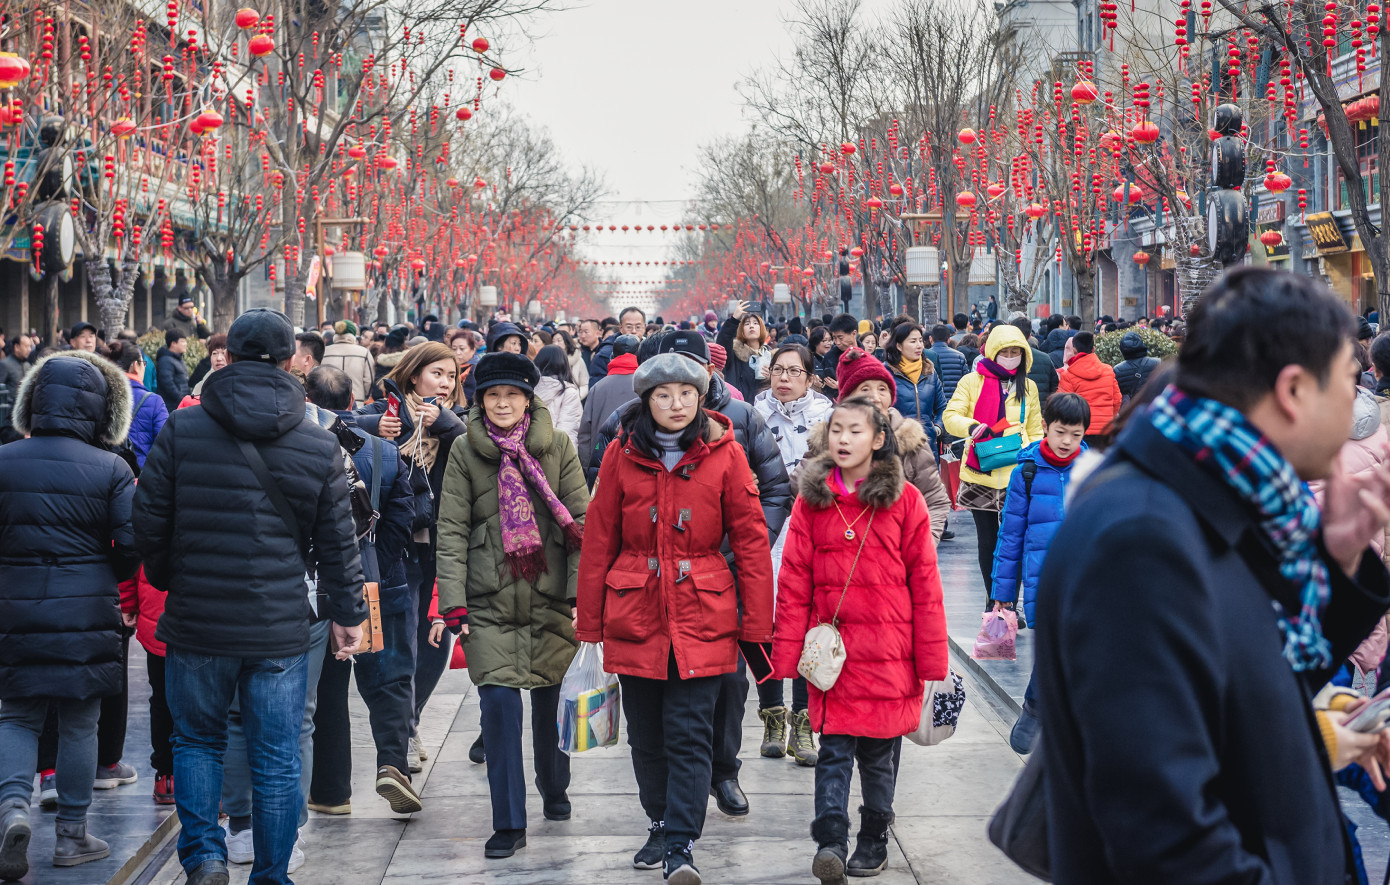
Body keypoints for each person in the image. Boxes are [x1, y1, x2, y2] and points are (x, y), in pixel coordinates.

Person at [1036, 268, 1390, 885]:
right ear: (1293, 390)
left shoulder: (1222, 495)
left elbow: (1244, 693)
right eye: (1350, 385)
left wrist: (1338, 563)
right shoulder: (1142, 536)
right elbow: (1162, 826)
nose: (1358, 408)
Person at [132, 308, 366, 885]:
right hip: (279, 624)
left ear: (226, 358)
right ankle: (271, 872)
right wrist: (348, 615)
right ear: (292, 363)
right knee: (278, 754)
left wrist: (169, 577)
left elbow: (149, 523)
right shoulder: (315, 444)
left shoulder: (182, 430)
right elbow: (339, 542)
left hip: (198, 620)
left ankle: (207, 857)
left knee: (197, 742)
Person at [577, 352, 775, 884]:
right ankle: (659, 823)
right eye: (663, 396)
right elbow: (600, 540)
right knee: (646, 737)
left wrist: (758, 624)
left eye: (686, 394)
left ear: (701, 397)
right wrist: (589, 625)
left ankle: (682, 842)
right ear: (645, 400)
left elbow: (752, 542)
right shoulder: (621, 454)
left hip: (705, 613)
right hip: (635, 611)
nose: (675, 404)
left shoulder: (726, 454)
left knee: (689, 734)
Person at [773, 395, 947, 884]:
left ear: (878, 440)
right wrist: (787, 652)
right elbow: (794, 581)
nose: (843, 439)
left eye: (855, 431)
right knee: (833, 749)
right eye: (836, 430)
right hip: (832, 658)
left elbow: (926, 588)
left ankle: (874, 837)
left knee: (877, 754)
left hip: (891, 654)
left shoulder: (906, 500)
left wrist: (931, 661)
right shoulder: (812, 501)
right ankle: (830, 840)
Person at [436, 352, 589, 858]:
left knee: (550, 706)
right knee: (499, 708)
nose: (502, 403)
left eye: (512, 395)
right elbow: (452, 530)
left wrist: (577, 598)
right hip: (489, 600)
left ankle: (555, 785)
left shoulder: (558, 446)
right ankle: (509, 821)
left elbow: (581, 529)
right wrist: (452, 603)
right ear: (479, 400)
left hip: (549, 600)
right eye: (492, 395)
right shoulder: (463, 449)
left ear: (528, 399)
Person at [0, 350, 139, 880]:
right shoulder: (112, 468)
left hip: (13, 604)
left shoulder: (4, 459)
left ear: (32, 402)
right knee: (81, 721)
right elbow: (130, 547)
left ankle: (13, 809)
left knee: (17, 714)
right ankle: (72, 835)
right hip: (87, 608)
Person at [303, 367, 422, 816]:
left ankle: (332, 792)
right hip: (377, 582)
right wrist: (376, 563)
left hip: (321, 589)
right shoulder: (382, 451)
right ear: (353, 401)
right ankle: (393, 765)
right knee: (388, 678)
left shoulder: (303, 447)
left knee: (328, 689)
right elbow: (402, 520)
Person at [355, 341, 469, 768]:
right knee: (400, 643)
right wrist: (378, 427)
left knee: (436, 639)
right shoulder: (383, 412)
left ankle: (411, 718)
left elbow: (480, 451)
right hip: (395, 547)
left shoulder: (458, 422)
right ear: (413, 374)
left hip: (441, 547)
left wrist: (447, 425)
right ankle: (400, 732)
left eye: (451, 375)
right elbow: (344, 429)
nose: (443, 382)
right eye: (436, 372)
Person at [988, 391, 1090, 754]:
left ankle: (1050, 714)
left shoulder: (1095, 471)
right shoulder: (1025, 473)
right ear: (1044, 427)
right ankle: (1036, 706)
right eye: (1060, 432)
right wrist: (1002, 591)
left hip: (1085, 583)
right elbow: (1011, 535)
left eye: (1076, 435)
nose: (1066, 442)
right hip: (1042, 583)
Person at [752, 343, 835, 764]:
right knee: (761, 626)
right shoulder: (750, 415)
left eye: (794, 371)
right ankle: (772, 714)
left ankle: (803, 722)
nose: (783, 378)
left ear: (809, 377)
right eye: (778, 370)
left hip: (810, 533)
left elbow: (831, 469)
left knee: (808, 627)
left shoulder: (827, 418)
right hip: (760, 533)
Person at [942, 324, 1044, 604]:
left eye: (1016, 352)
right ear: (993, 351)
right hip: (979, 472)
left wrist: (1033, 457)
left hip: (1017, 474)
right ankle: (993, 599)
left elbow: (1035, 430)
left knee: (1014, 542)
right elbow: (950, 416)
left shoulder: (1029, 386)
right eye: (1005, 351)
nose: (1010, 357)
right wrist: (972, 426)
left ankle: (1009, 601)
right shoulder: (971, 382)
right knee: (988, 542)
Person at [578, 334, 641, 480]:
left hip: (602, 463)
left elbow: (585, 433)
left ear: (612, 356)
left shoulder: (598, 387)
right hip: (638, 463)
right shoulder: (646, 387)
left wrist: (587, 468)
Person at [885, 322, 946, 452]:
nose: (919, 345)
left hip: (928, 445)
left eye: (920, 340)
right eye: (913, 341)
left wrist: (937, 428)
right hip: (897, 448)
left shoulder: (929, 371)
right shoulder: (886, 373)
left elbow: (942, 407)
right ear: (899, 346)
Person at [110, 339, 169, 471]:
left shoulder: (101, 393)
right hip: (140, 475)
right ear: (135, 366)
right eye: (143, 363)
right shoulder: (153, 401)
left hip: (106, 475)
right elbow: (165, 445)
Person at [1057, 331, 1123, 447]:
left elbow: (1064, 406)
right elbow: (1117, 400)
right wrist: (1107, 416)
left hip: (1080, 431)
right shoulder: (1108, 370)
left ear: (1074, 350)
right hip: (1106, 430)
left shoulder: (1068, 375)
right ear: (1093, 349)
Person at [716, 301, 773, 401]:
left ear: (762, 329)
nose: (751, 326)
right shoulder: (734, 354)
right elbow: (723, 341)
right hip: (739, 406)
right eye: (747, 324)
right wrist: (734, 319)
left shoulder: (770, 355)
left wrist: (771, 378)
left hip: (763, 408)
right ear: (741, 330)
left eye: (755, 323)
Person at [533, 345, 583, 448]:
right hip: (554, 453)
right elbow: (568, 430)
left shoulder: (529, 388)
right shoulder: (568, 392)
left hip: (528, 451)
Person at [321, 321, 375, 405]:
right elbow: (369, 380)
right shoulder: (364, 352)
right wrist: (364, 397)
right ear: (353, 334)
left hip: (328, 402)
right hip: (356, 401)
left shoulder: (324, 352)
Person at [1011, 317, 1058, 404]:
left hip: (1013, 409)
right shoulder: (1045, 358)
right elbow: (1054, 386)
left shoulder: (1005, 358)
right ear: (1030, 336)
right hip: (1041, 409)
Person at [815, 314, 860, 393]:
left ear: (854, 334)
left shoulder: (866, 356)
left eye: (840, 338)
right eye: (834, 338)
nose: (837, 343)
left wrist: (842, 386)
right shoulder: (829, 357)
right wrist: (818, 384)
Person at [1113, 330, 1161, 402]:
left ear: (1122, 349)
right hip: (1152, 406)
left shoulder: (1117, 369)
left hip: (1130, 409)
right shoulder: (1158, 363)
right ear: (1142, 344)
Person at [928, 324, 969, 403]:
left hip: (933, 402)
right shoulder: (959, 356)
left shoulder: (926, 356)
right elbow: (966, 381)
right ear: (949, 340)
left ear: (930, 339)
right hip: (955, 401)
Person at [187, 334, 230, 402]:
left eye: (223, 353)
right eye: (214, 353)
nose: (219, 358)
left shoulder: (241, 382)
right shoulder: (201, 386)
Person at [155, 330, 190, 410]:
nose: (186, 344)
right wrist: (181, 398)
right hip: (171, 406)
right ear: (173, 343)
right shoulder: (165, 361)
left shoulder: (178, 358)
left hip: (180, 404)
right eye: (182, 341)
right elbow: (168, 384)